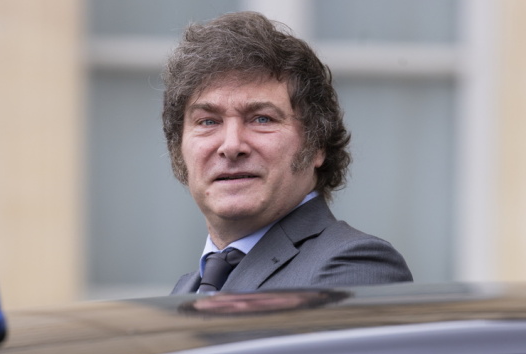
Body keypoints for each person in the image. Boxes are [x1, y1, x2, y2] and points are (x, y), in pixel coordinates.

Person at [162, 11, 412, 294]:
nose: (231, 146)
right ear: (178, 149)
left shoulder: (357, 266)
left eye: (262, 119)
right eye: (208, 122)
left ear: (316, 144)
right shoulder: (187, 289)